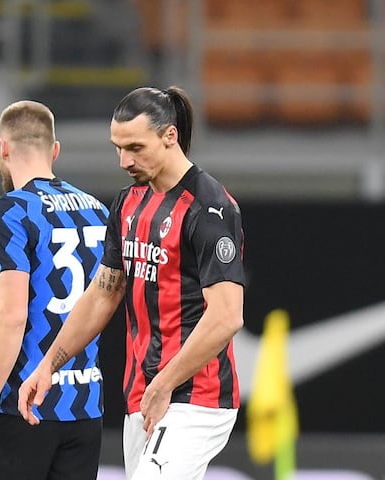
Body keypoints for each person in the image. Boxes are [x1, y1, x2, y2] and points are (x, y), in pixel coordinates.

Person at [18, 86, 246, 480]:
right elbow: (103, 295)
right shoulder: (128, 203)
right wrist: (48, 365)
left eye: (136, 148)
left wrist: (164, 384)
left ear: (169, 136)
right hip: (142, 394)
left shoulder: (209, 208)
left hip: (196, 398)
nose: (124, 160)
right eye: (118, 148)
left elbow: (227, 317)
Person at [0, 100, 110, 479]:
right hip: (85, 407)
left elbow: (12, 314)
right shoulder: (98, 211)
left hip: (23, 405)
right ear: (55, 151)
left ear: (2, 148)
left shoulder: (12, 210)